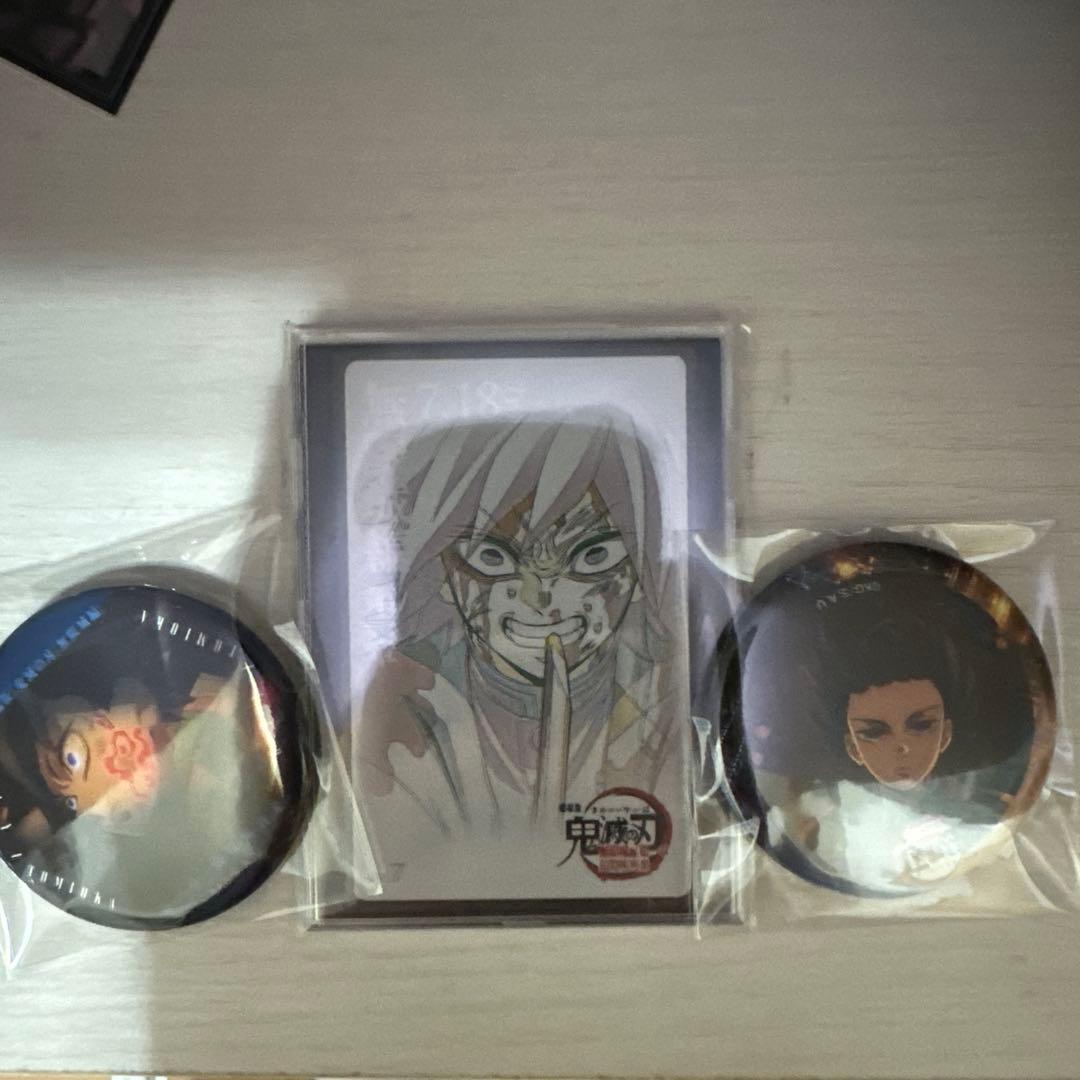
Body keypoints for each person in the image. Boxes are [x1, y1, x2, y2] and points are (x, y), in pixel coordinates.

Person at [353, 412, 686, 883]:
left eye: (592, 556)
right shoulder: (411, 700)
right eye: (493, 558)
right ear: (443, 573)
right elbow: (384, 864)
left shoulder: (669, 699)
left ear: (638, 568)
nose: (541, 599)